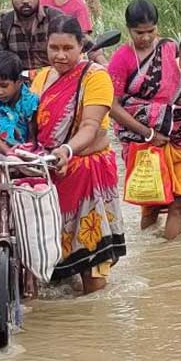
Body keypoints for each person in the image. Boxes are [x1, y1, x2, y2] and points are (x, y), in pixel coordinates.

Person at [107, 0, 181, 240]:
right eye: (139, 33)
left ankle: (173, 264)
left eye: (151, 31)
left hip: (180, 133)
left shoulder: (171, 48)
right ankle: (153, 260)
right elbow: (112, 106)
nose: (146, 38)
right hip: (143, 140)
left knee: (179, 201)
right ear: (128, 29)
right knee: (150, 203)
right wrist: (149, 133)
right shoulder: (122, 59)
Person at [30, 16, 126, 293]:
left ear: (81, 46)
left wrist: (67, 150)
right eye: (53, 48)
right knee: (53, 250)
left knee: (91, 259)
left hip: (86, 172)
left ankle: (94, 323)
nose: (60, 55)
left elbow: (90, 126)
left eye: (67, 48)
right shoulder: (41, 79)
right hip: (49, 171)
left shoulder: (96, 77)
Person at [0, 51, 40, 235]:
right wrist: (8, 152)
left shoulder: (30, 100)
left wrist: (24, 154)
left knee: (33, 198)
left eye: (4, 86)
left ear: (18, 81)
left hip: (27, 157)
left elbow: (34, 134)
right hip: (1, 155)